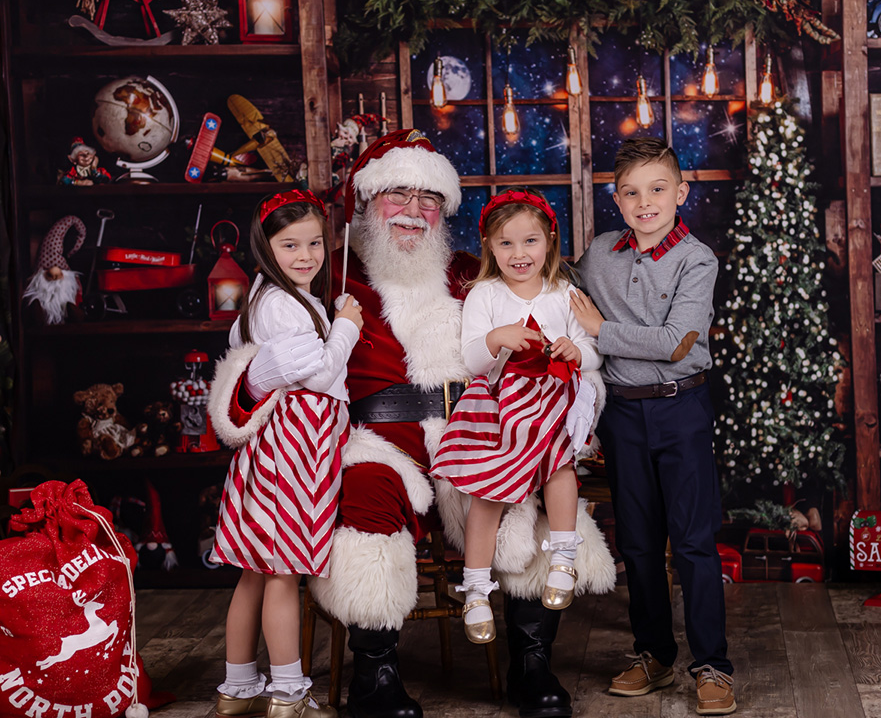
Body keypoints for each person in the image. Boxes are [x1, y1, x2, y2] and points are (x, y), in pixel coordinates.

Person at [209, 130, 616, 718]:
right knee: (366, 497)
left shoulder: (478, 273)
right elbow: (253, 356)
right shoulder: (328, 278)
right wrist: (252, 382)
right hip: (376, 439)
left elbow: (551, 334)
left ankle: (532, 663)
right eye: (397, 195)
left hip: (476, 431)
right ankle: (374, 675)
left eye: (429, 200)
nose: (413, 211)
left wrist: (569, 405)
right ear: (367, 204)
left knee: (522, 493)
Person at [570, 137, 736, 716]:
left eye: (658, 190)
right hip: (622, 413)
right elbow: (549, 286)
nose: (646, 202)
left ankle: (712, 666)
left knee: (692, 541)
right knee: (637, 544)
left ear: (680, 193)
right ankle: (654, 656)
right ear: (617, 200)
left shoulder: (697, 258)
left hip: (680, 407)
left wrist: (599, 328)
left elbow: (677, 343)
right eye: (633, 193)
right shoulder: (596, 255)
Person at [209, 189, 363, 718]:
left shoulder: (275, 298)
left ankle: (236, 687)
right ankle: (289, 694)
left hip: (280, 441)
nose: (306, 256)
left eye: (316, 243)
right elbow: (317, 372)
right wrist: (346, 325)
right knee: (282, 571)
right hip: (295, 443)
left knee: (254, 570)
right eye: (290, 245)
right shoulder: (281, 305)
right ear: (265, 248)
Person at [430, 188, 602, 645]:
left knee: (560, 467)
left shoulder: (563, 293)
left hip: (548, 401)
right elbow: (470, 358)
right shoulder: (483, 294)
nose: (519, 253)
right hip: (499, 405)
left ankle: (564, 557)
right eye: (506, 243)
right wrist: (496, 339)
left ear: (549, 241)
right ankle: (477, 587)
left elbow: (591, 351)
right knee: (487, 489)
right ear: (488, 244)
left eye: (530, 241)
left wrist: (575, 351)